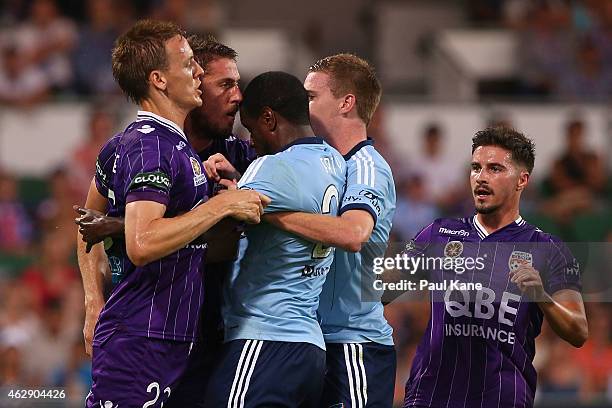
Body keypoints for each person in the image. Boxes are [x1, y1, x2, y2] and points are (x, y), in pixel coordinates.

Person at [83, 20, 266, 407]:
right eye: (188, 65)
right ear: (159, 80)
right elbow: (141, 242)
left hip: (177, 334)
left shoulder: (177, 145)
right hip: (142, 335)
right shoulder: (150, 146)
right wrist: (222, 204)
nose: (198, 71)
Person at [399, 127, 588, 408]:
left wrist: (540, 296)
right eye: (476, 168)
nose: (481, 177)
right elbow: (379, 286)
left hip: (502, 398)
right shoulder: (438, 233)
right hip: (431, 394)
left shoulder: (547, 248)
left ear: (522, 180)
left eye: (495, 168)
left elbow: (578, 330)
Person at [204, 71, 347, 407]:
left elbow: (213, 234)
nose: (250, 141)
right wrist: (241, 183)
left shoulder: (270, 167)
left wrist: (126, 229)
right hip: (309, 351)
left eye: (252, 129)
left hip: (262, 339)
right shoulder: (336, 163)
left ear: (269, 118)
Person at [263, 54, 397, 407]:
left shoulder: (368, 167)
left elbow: (354, 234)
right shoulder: (324, 164)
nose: (301, 104)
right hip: (318, 342)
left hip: (354, 345)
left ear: (346, 102)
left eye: (310, 96)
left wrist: (269, 213)